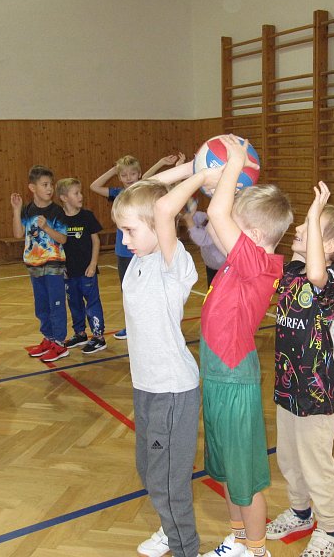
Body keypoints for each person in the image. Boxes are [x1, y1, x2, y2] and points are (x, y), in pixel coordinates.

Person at [199, 136, 293, 557]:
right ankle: (238, 540)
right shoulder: (245, 259)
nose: (227, 232)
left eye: (237, 227)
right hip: (218, 377)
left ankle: (257, 549)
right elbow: (214, 222)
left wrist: (234, 165)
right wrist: (214, 180)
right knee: (227, 472)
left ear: (252, 234)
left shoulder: (257, 264)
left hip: (234, 380)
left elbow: (217, 215)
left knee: (245, 477)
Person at [265, 182, 334, 557]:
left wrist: (316, 212)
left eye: (309, 226)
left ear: (328, 246)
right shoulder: (292, 271)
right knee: (289, 457)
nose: (300, 228)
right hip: (287, 384)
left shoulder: (332, 281)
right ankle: (301, 512)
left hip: (316, 391)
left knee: (316, 462)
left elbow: (317, 273)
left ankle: (329, 528)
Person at [110, 178, 202, 557]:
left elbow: (163, 206)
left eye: (130, 230)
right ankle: (169, 528)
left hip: (172, 389)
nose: (124, 239)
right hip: (145, 385)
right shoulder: (140, 259)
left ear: (157, 225)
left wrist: (200, 172)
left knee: (167, 482)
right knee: (149, 468)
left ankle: (185, 549)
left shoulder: (172, 264)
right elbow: (147, 191)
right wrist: (175, 170)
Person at [90, 152, 184, 339]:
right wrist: (114, 170)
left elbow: (146, 180)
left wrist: (160, 162)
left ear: (139, 174)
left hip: (146, 251)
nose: (128, 178)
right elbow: (94, 186)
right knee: (128, 290)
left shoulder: (142, 191)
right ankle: (132, 326)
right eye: (123, 175)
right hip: (124, 253)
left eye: (132, 174)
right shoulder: (118, 194)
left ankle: (153, 324)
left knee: (149, 288)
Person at [11, 165, 69, 363]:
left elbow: (63, 239)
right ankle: (49, 338)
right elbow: (18, 234)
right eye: (45, 184)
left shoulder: (57, 211)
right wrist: (16, 210)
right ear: (32, 188)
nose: (50, 188)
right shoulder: (28, 210)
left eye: (51, 184)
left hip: (53, 265)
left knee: (56, 304)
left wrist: (46, 228)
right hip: (34, 266)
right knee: (41, 305)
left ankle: (60, 343)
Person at [56, 177, 107, 354]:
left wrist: (93, 264)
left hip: (87, 270)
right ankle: (80, 333)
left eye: (80, 192)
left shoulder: (87, 216)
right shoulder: (59, 219)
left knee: (92, 303)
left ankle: (99, 337)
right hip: (69, 272)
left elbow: (96, 241)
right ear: (64, 198)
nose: (81, 196)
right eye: (76, 193)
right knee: (74, 303)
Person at [182, 199, 226, 286]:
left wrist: (189, 220)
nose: (207, 210)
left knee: (220, 290)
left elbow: (202, 239)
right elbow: (198, 217)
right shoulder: (208, 218)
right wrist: (191, 210)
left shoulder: (220, 227)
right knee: (211, 288)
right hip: (211, 265)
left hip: (222, 267)